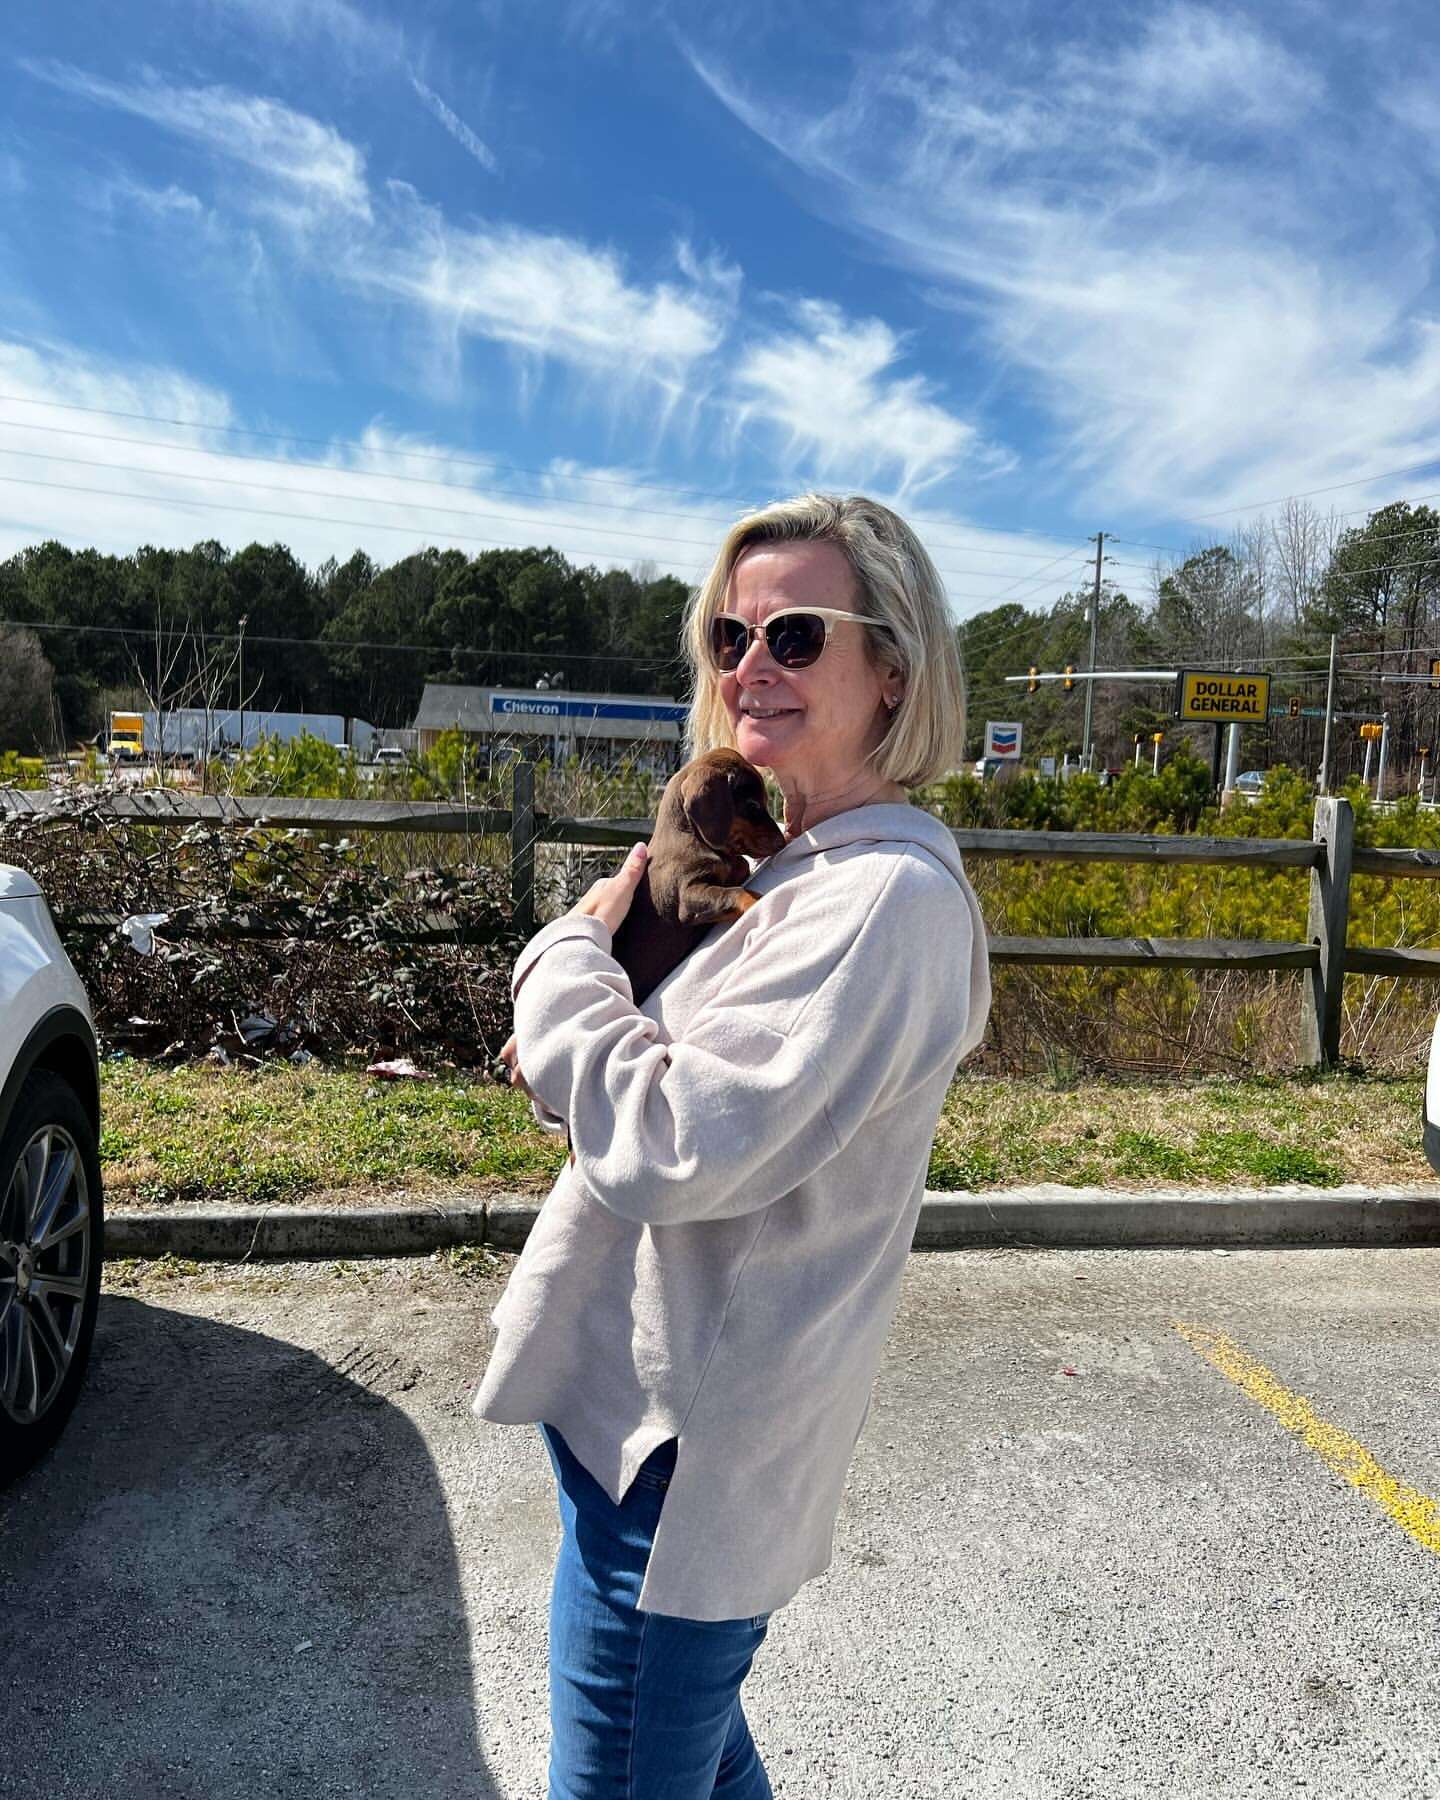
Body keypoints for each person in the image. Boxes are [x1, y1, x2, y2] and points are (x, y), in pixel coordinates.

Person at [473, 493, 992, 1798]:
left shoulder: (883, 900)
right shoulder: (794, 869)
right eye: (729, 633)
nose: (751, 663)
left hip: (680, 1480)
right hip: (646, 1433)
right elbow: (640, 1088)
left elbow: (662, 1141)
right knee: (688, 1759)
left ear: (893, 672)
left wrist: (570, 944)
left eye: (799, 634)